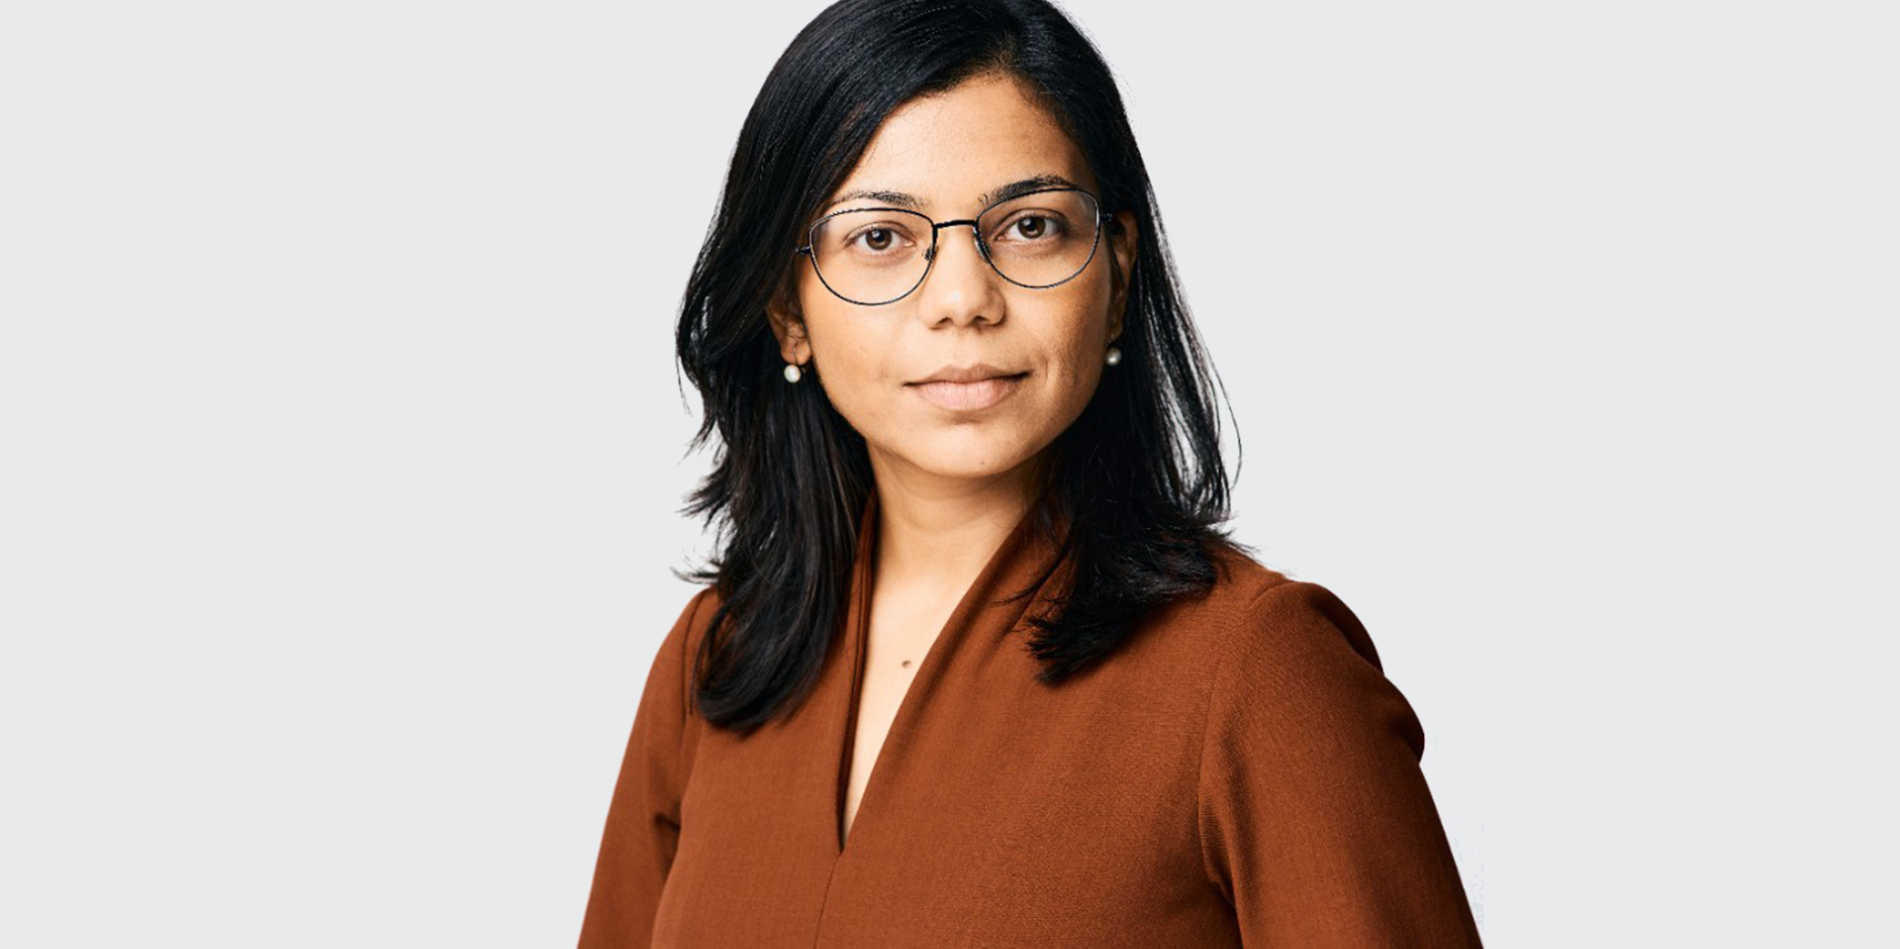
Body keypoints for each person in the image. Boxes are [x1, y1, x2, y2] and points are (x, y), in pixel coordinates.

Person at [579, 1, 1483, 946]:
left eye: (1032, 225)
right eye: (881, 237)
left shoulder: (1257, 672)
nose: (965, 298)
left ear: (1119, 275)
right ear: (786, 311)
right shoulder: (714, 660)